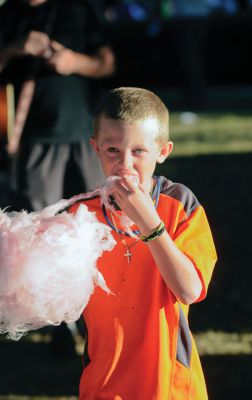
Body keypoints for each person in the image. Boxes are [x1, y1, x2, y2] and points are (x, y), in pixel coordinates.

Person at [69, 87, 217, 399]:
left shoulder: (179, 205)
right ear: (95, 147)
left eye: (138, 152)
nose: (124, 164)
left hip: (169, 385)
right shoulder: (81, 215)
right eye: (113, 151)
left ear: (163, 151)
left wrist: (149, 222)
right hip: (102, 384)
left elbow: (189, 290)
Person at [0, 0, 115, 212]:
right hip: (33, 141)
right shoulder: (7, 14)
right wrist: (12, 49)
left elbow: (107, 64)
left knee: (96, 218)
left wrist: (74, 62)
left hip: (85, 136)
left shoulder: (78, 8)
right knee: (37, 226)